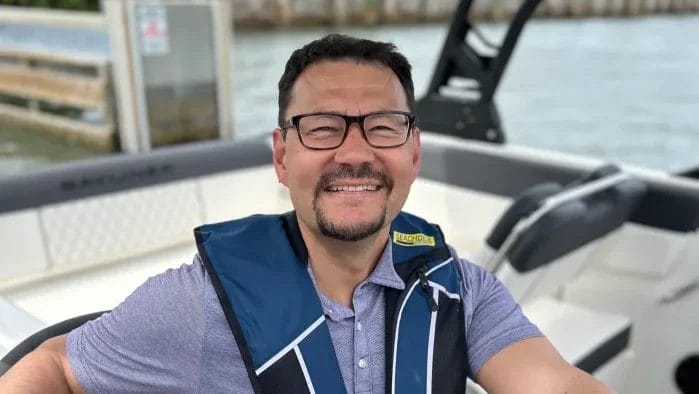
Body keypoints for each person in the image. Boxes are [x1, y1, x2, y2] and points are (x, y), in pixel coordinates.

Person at [0, 34, 612, 394]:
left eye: (382, 126)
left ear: (413, 151)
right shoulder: (197, 304)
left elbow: (554, 383)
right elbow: (56, 366)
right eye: (322, 128)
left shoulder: (464, 291)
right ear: (282, 155)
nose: (354, 153)